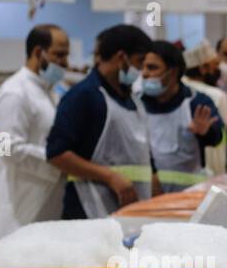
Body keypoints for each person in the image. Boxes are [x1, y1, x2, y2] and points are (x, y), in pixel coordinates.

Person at [47, 24, 155, 218]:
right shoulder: (84, 96)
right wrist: (109, 176)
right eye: (139, 62)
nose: (140, 71)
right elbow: (57, 153)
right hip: (89, 210)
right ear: (121, 57)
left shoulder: (132, 99)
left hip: (129, 212)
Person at [0, 23, 69, 238]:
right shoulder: (14, 93)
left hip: (47, 206)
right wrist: (57, 160)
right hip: (21, 210)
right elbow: (7, 150)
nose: (65, 63)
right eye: (59, 55)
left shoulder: (50, 93)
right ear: (38, 52)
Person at [139, 41, 223, 193]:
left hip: (190, 193)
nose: (144, 74)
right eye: (143, 67)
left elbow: (217, 137)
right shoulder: (137, 104)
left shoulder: (196, 102)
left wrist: (206, 132)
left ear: (172, 72)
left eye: (152, 68)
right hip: (148, 192)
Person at [183, 40, 227, 176]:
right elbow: (221, 138)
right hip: (211, 168)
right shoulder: (217, 96)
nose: (218, 69)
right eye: (215, 65)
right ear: (203, 68)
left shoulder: (179, 90)